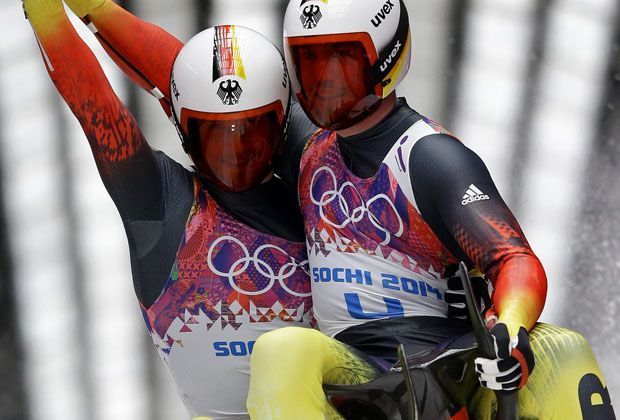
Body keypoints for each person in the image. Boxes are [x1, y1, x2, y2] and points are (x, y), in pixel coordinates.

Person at [247, 0, 616, 418]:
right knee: (280, 351)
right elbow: (193, 80)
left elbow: (514, 260)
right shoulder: (303, 144)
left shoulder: (430, 157)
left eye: (340, 60)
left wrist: (510, 330)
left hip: (449, 370)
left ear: (385, 58)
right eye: (308, 62)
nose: (323, 82)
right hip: (356, 371)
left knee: (564, 350)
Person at [22, 0, 314, 418]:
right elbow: (98, 107)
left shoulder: (316, 184)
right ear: (183, 129)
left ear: (282, 124)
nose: (235, 153)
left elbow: (192, 82)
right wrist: (52, 14)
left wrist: (96, 9)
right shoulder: (164, 205)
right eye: (215, 137)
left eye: (251, 132)